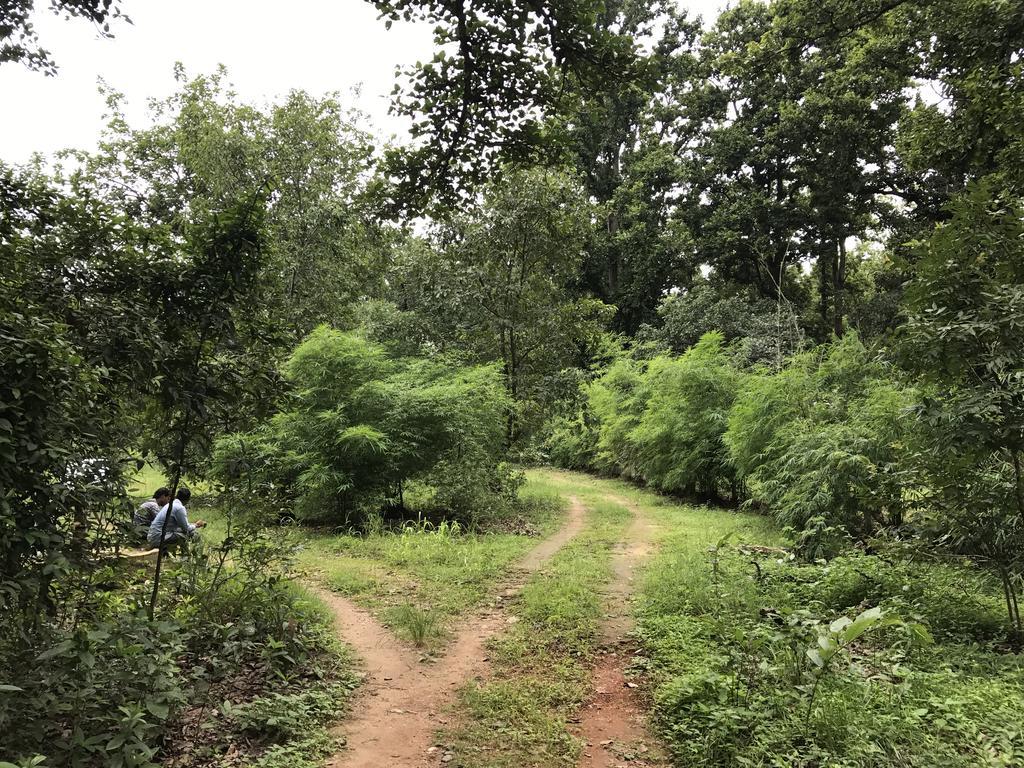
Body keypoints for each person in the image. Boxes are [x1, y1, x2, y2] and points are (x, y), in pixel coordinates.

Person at [147, 487, 206, 551]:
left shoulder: (170, 504)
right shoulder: (179, 508)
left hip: (152, 537)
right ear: (187, 500)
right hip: (158, 538)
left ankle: (169, 553)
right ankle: (189, 555)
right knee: (192, 534)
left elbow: (178, 527)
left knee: (180, 532)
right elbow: (186, 529)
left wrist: (193, 525)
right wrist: (196, 525)